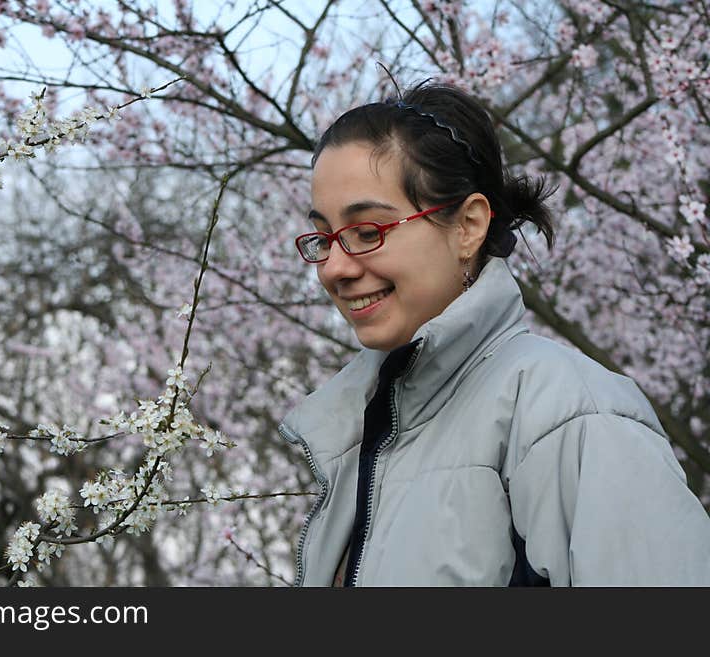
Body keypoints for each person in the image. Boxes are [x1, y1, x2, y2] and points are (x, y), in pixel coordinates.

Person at [279, 80, 710, 586]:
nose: (334, 268)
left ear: (468, 226)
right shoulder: (360, 436)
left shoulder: (567, 411)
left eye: (367, 232)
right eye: (323, 238)